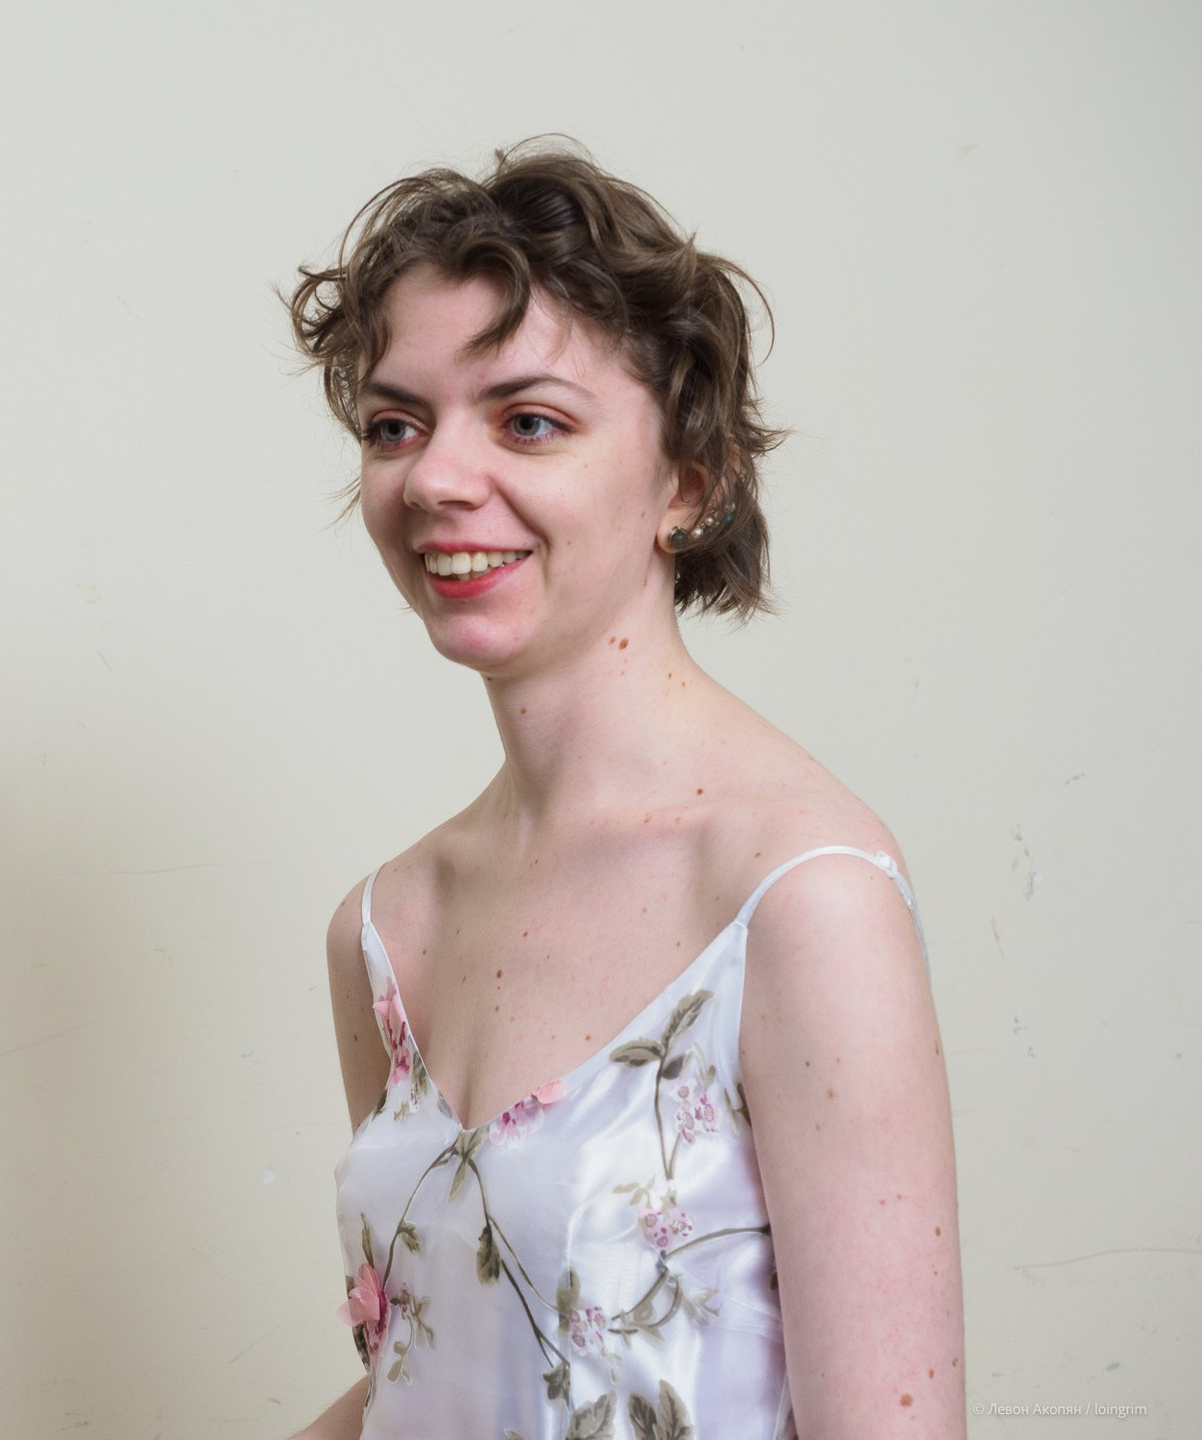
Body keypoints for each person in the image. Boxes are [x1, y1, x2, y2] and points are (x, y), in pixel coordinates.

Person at [282, 140, 964, 1439]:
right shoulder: (384, 925)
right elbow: (435, 1370)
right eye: (395, 424)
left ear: (688, 481)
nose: (435, 478)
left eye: (528, 421)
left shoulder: (801, 898)